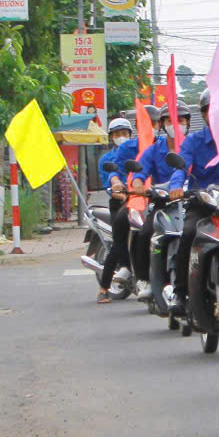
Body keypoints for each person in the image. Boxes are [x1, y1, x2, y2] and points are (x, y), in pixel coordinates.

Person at [165, 90, 219, 316]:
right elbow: (181, 169)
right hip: (204, 204)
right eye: (211, 110)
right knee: (188, 233)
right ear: (204, 114)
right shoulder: (194, 142)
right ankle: (180, 292)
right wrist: (176, 187)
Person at [132, 101, 190, 299]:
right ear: (163, 124)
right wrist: (139, 183)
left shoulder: (194, 146)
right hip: (163, 204)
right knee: (145, 233)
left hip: (192, 204)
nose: (176, 125)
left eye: (180, 120)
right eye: (170, 121)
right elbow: (139, 172)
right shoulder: (154, 150)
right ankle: (144, 280)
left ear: (188, 123)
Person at [96, 116, 140, 304]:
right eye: (117, 134)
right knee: (118, 242)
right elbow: (110, 184)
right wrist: (123, 195)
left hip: (141, 201)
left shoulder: (138, 152)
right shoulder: (107, 159)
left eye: (124, 134)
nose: (121, 137)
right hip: (120, 202)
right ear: (111, 137)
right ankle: (104, 288)